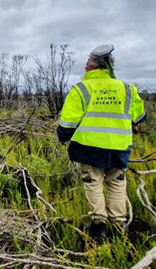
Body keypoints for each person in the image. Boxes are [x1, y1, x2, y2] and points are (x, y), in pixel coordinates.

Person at [56, 44, 146, 239]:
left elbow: (69, 121)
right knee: (117, 183)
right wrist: (133, 124)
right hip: (119, 146)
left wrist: (63, 136)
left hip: (90, 146)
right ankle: (119, 225)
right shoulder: (127, 89)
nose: (85, 68)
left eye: (87, 64)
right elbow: (139, 116)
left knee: (93, 183)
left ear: (94, 66)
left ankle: (99, 226)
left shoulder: (81, 89)